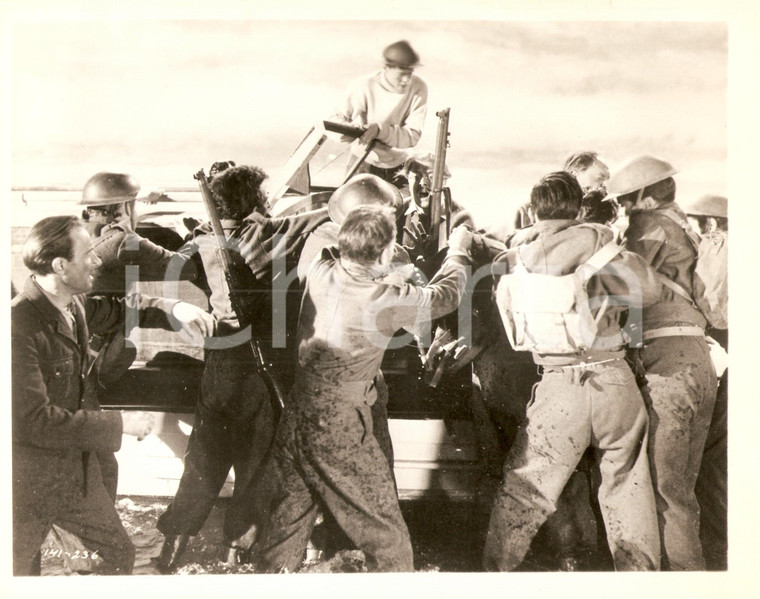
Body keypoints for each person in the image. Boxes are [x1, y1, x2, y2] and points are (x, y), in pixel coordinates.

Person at [252, 205, 473, 573]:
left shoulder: (321, 271)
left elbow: (324, 247)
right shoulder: (384, 299)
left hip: (297, 417)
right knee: (388, 540)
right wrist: (459, 248)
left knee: (285, 528)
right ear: (386, 253)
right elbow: (446, 294)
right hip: (339, 429)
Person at [12, 215, 214, 576]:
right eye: (87, 254)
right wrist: (122, 423)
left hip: (73, 473)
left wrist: (175, 308)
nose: (96, 260)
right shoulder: (17, 326)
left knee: (113, 557)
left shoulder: (71, 306)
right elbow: (31, 421)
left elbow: (122, 308)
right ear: (60, 266)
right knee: (17, 571)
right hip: (24, 483)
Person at [483, 171, 662, 572]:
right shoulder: (599, 247)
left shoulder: (516, 258)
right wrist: (608, 243)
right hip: (613, 379)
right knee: (628, 488)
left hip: (558, 386)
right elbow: (649, 291)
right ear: (579, 209)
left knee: (526, 490)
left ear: (532, 211)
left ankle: (495, 576)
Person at [155, 164, 330, 572]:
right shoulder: (267, 234)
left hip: (220, 364)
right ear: (254, 201)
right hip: (260, 366)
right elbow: (322, 212)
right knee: (256, 466)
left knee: (203, 461)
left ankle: (169, 554)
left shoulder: (202, 240)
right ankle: (234, 558)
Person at [606, 155, 718, 570]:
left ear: (642, 199)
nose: (621, 209)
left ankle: (681, 585)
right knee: (683, 490)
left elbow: (629, 292)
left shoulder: (644, 228)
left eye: (623, 201)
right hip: (698, 358)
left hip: (665, 362)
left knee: (665, 492)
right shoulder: (687, 229)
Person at [79, 172, 200, 390]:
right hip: (99, 363)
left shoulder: (81, 232)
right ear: (125, 208)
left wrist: (139, 201)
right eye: (133, 205)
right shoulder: (126, 243)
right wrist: (193, 234)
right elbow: (188, 268)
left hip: (82, 352)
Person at [685, 194, 728, 571]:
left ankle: (719, 547)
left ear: (711, 225)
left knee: (713, 455)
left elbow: (714, 307)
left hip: (732, 356)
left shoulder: (720, 248)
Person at [331, 40, 428, 188]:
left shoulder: (418, 87)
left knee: (408, 208)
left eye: (410, 74)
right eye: (402, 74)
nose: (406, 80)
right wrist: (352, 131)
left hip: (400, 165)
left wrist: (380, 130)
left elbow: (413, 135)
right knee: (353, 208)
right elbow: (334, 120)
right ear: (386, 68)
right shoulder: (365, 85)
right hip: (363, 162)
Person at [513, 151, 610, 230]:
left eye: (607, 180)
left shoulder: (603, 213)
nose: (604, 186)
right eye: (599, 178)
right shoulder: (527, 212)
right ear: (574, 174)